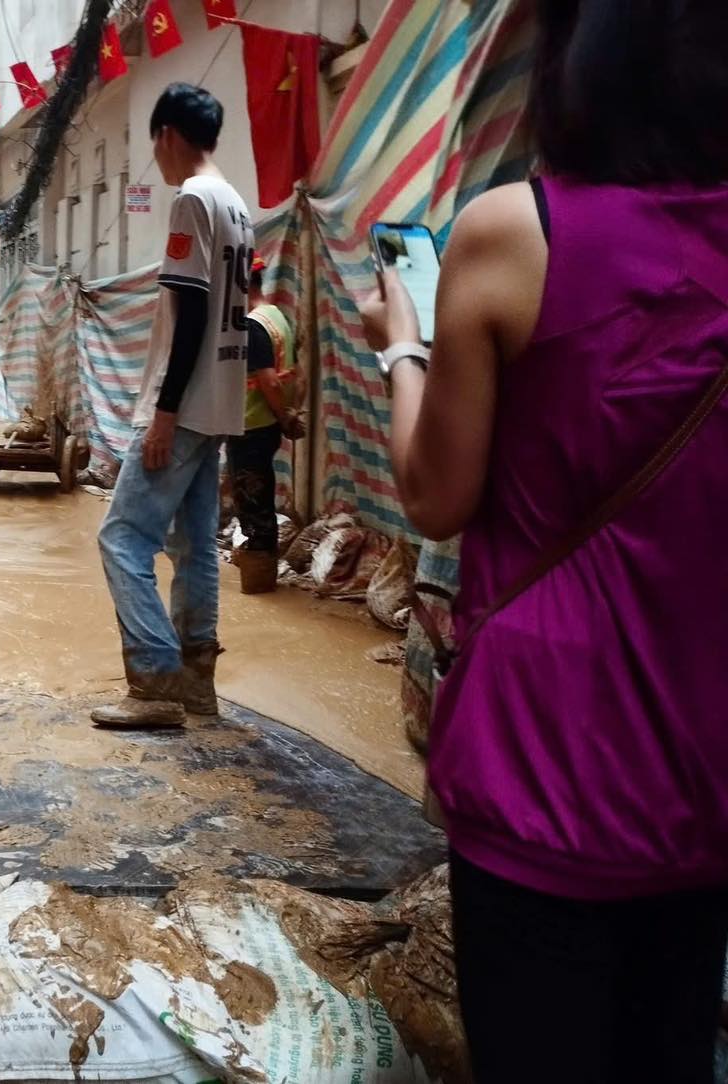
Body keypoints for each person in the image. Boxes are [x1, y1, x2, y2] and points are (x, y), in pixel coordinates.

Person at [360, 2, 728, 1079]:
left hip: (543, 770)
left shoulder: (515, 233)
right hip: (705, 779)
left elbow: (435, 495)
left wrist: (401, 350)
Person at [92, 83, 255, 729]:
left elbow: (191, 317)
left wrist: (162, 413)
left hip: (183, 406)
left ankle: (155, 682)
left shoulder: (192, 199)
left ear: (167, 135)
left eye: (153, 144)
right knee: (194, 545)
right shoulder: (236, 203)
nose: (155, 159)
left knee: (122, 539)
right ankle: (196, 685)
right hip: (219, 404)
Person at [226, 254, 305, 594]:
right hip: (266, 424)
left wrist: (283, 415)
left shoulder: (252, 326)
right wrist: (289, 412)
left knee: (253, 501)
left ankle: (259, 581)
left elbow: (270, 381)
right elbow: (297, 375)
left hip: (252, 424)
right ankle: (262, 571)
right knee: (258, 494)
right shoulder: (277, 317)